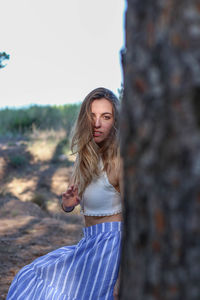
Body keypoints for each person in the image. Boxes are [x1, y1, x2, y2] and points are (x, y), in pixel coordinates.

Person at [6, 87, 123, 300]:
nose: (97, 124)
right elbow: (69, 205)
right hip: (90, 244)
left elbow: (136, 220)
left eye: (106, 117)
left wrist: (121, 277)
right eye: (92, 116)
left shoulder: (118, 162)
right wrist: (68, 203)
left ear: (115, 122)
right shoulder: (84, 159)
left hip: (111, 248)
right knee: (31, 275)